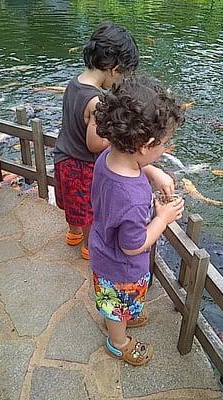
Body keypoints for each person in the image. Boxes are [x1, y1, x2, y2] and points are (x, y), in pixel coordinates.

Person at [89, 77, 185, 366]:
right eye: (164, 144)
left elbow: (131, 167)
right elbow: (133, 245)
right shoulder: (129, 197)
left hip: (101, 248)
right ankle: (118, 342)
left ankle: (126, 313)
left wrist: (154, 172)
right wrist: (163, 218)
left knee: (119, 301)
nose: (166, 148)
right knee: (116, 306)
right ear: (145, 146)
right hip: (121, 266)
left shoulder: (108, 155)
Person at [53, 22, 139, 260]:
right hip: (81, 164)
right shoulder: (97, 101)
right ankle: (89, 247)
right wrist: (113, 137)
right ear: (114, 68)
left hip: (63, 157)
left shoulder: (74, 83)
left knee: (72, 205)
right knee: (89, 209)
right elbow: (94, 144)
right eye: (123, 75)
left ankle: (73, 234)